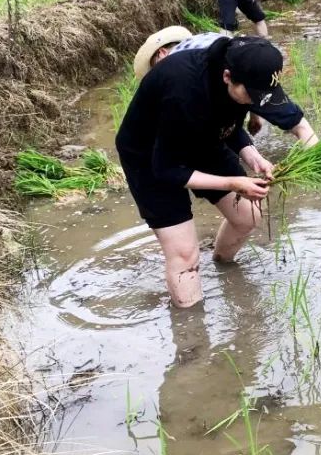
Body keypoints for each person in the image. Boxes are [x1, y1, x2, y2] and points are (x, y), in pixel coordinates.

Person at [116, 35, 289, 308]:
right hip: (150, 156)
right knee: (184, 255)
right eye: (251, 95)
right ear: (228, 76)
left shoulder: (240, 76)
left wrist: (253, 157)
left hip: (200, 137)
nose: (253, 102)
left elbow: (230, 124)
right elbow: (167, 169)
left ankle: (223, 265)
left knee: (248, 215)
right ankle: (192, 334)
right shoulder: (183, 90)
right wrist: (234, 182)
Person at [133, 26, 320, 146]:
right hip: (247, 82)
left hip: (238, 83)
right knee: (300, 126)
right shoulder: (209, 38)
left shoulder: (178, 67)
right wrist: (256, 116)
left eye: (153, 68)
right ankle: (316, 153)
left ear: (161, 53)